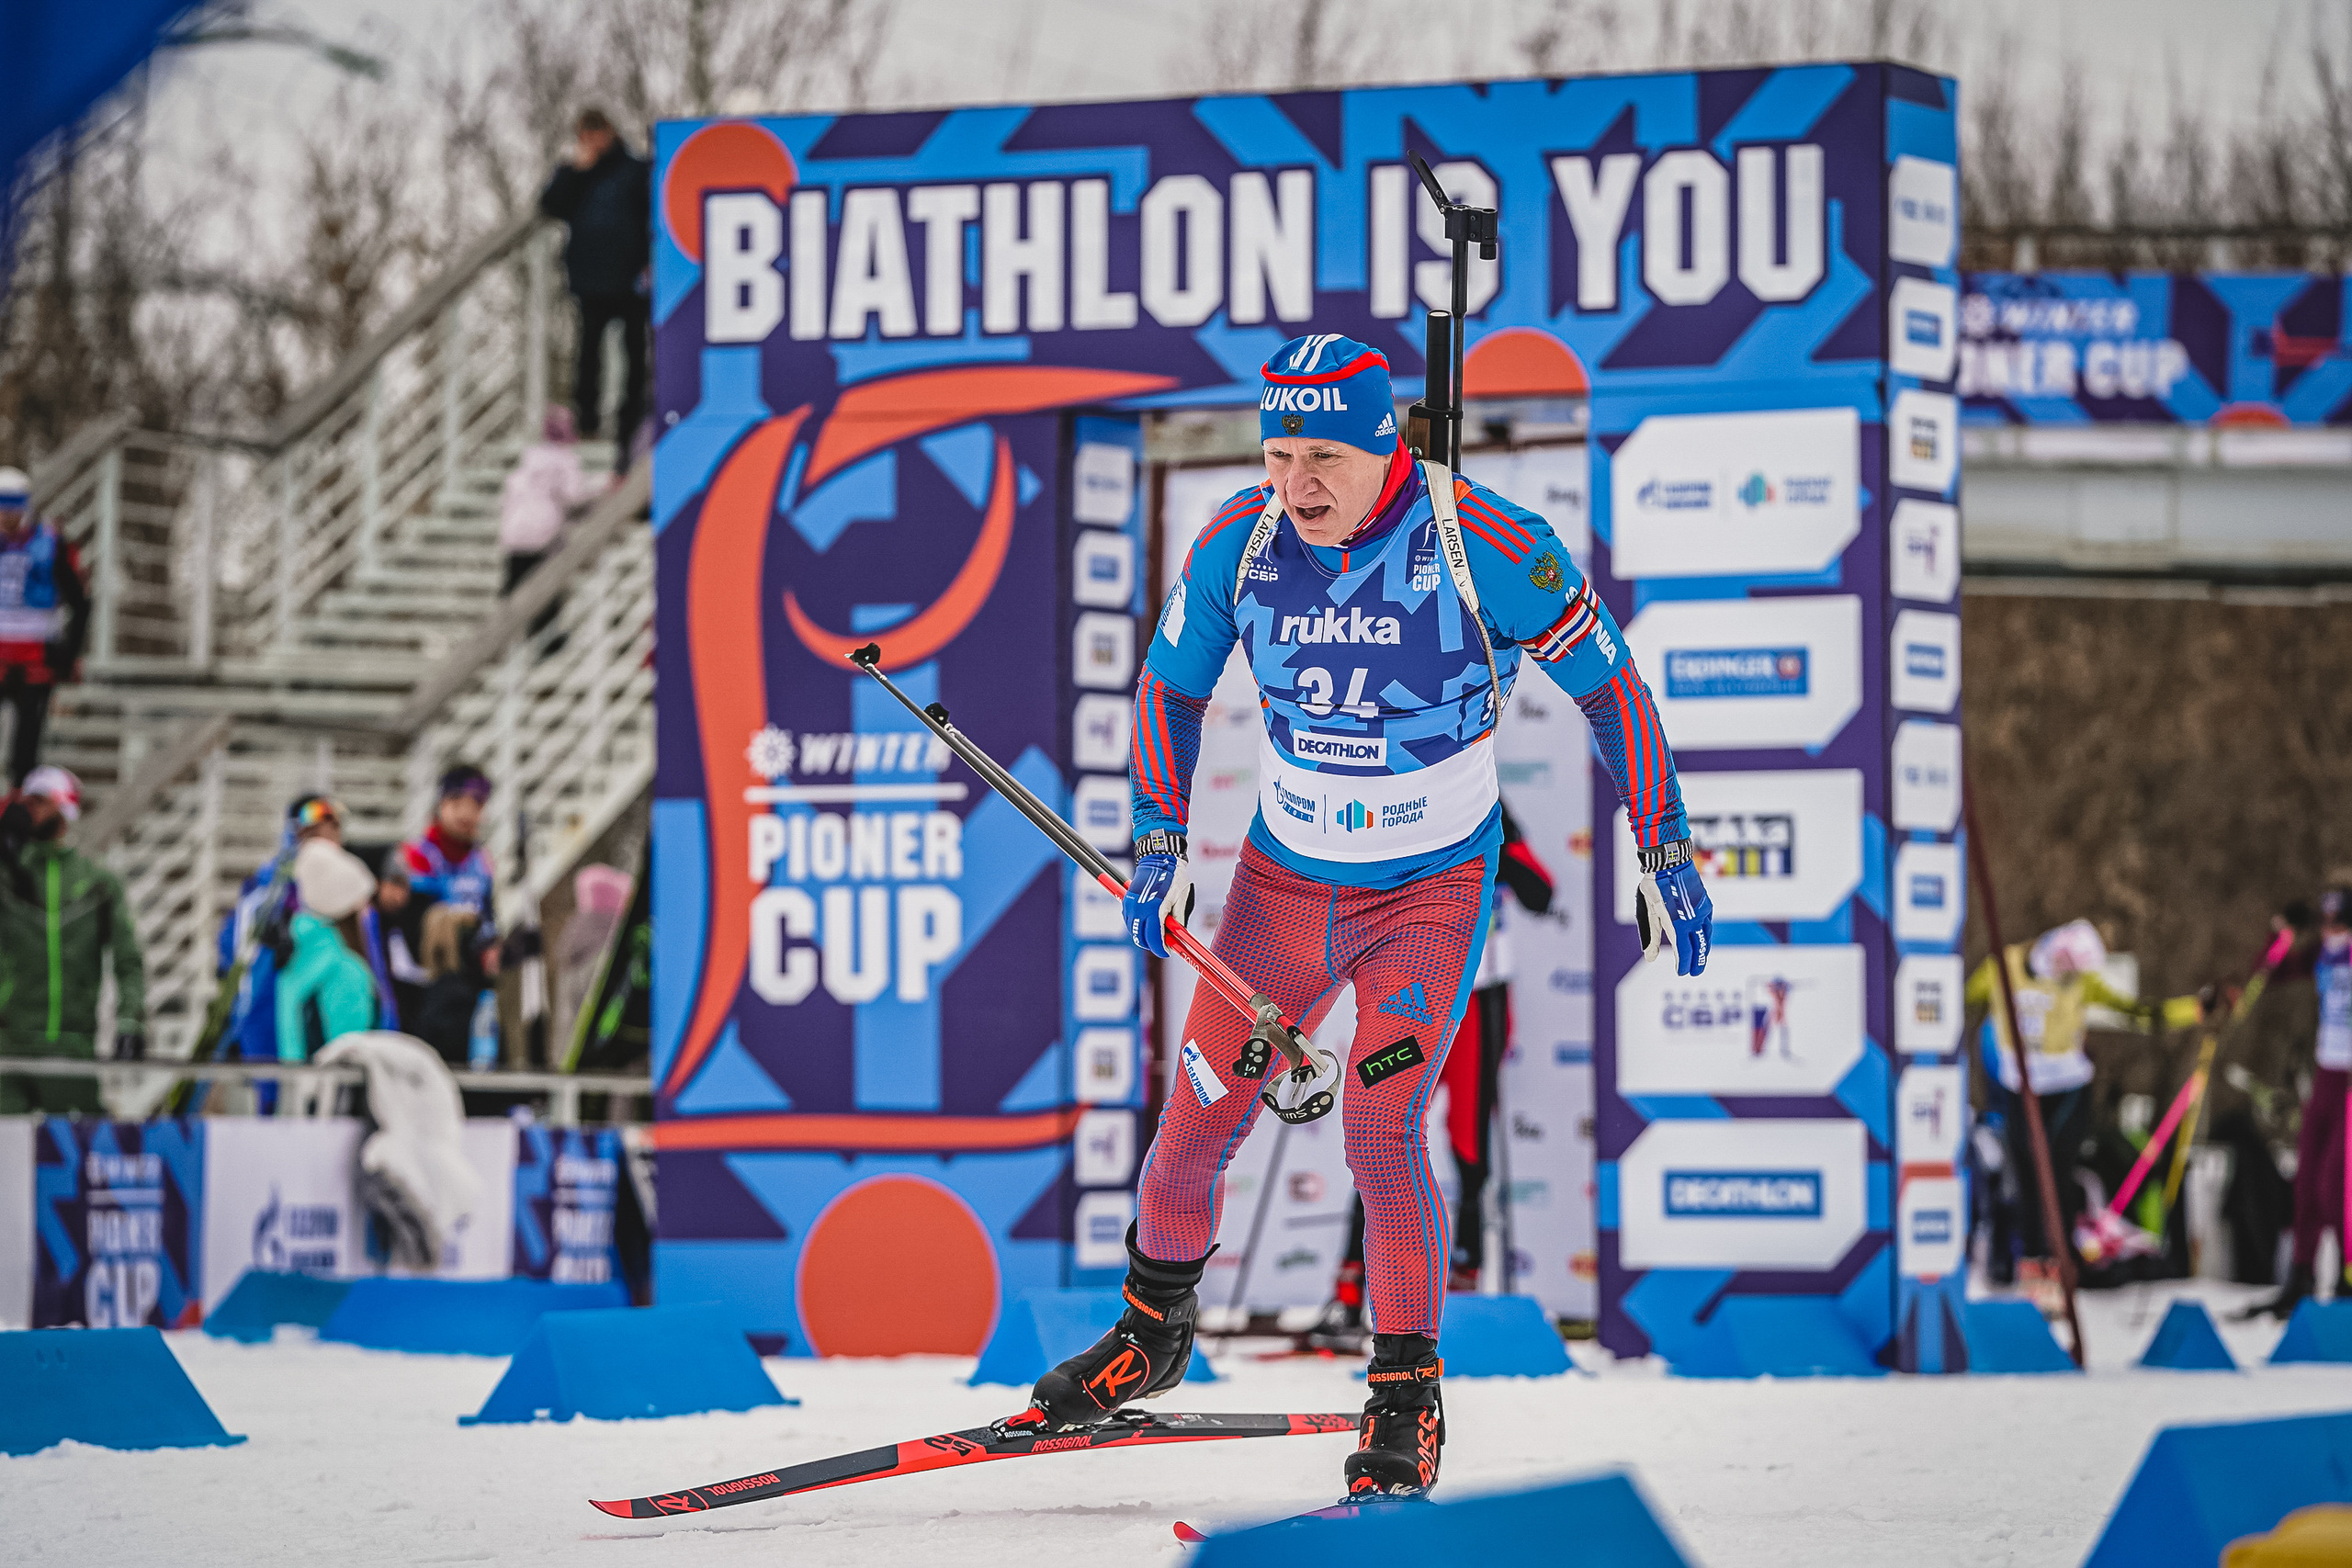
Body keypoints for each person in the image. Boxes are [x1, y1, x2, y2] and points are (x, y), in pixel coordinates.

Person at [1027, 334, 1711, 1501]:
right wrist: (1158, 838)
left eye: (1324, 457)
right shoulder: (1239, 544)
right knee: (1194, 1118)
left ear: (1387, 443)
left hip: (1427, 901)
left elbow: (1611, 688)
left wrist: (1664, 843)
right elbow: (1170, 691)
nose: (1295, 483)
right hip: (1283, 894)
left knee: (1379, 1130)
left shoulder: (1480, 542)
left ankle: (1403, 1398)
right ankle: (1153, 1330)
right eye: (1278, 450)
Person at [1315, 804, 1556, 1345]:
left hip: (1479, 1002)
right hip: (1415, 994)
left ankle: (1464, 1293)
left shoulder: (1490, 810)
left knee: (1469, 1143)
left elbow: (1542, 892)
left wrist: (1503, 854)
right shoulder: (1401, 810)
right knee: (1380, 1130)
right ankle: (1350, 1294)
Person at [1968, 919, 2200, 1307]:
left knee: (2055, 1171)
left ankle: (2058, 1264)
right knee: (2024, 1171)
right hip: (2020, 1084)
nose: (2067, 976)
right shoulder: (2004, 966)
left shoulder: (2082, 983)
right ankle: (2033, 1265)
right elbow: (1961, 994)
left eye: (2076, 971)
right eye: (2065, 966)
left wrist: (2193, 1010)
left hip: (2067, 1085)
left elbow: (2139, 1014)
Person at [0, 767, 143, 1113]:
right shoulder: (5, 876)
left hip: (73, 1048)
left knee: (74, 1157)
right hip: (8, 1046)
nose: (29, 810)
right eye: (26, 803)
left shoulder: (96, 881)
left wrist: (131, 1019)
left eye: (40, 802)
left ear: (64, 808)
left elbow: (128, 960)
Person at [2245, 887, 2352, 1319]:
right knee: (2306, 1179)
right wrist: (2285, 933)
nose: (2331, 932)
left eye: (2340, 923)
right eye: (2325, 924)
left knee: (2337, 1186)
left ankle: (2346, 1275)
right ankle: (2301, 1274)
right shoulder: (2322, 954)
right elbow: (2265, 975)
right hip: (2328, 1070)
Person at [537, 109, 650, 456]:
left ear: (609, 132)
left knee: (634, 352)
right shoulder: (575, 173)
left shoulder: (635, 170)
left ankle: (630, 418)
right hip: (589, 278)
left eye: (595, 134)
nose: (590, 143)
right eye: (584, 136)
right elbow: (550, 206)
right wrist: (574, 172)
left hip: (631, 277)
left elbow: (650, 214)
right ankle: (586, 420)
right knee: (588, 353)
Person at [395, 763, 500, 1063]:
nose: (467, 815)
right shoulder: (420, 855)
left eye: (477, 805)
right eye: (457, 804)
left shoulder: (481, 860)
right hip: (428, 988)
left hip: (471, 985)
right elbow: (414, 930)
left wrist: (495, 946)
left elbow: (489, 917)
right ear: (442, 805)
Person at [0, 466, 91, 784]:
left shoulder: (49, 544)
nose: (5, 519)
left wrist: (67, 654)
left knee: (25, 749)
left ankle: (16, 817)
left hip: (36, 655)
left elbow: (80, 602)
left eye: (11, 510)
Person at [498, 405, 604, 642]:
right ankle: (545, 638)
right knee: (548, 587)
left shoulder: (529, 459)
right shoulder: (565, 460)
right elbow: (575, 496)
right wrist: (597, 492)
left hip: (515, 532)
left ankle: (504, 638)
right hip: (543, 534)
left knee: (514, 586)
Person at [276, 839, 384, 1066]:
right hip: (330, 1095)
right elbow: (350, 1060)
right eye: (364, 903)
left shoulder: (296, 956)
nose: (369, 914)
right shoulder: (347, 970)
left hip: (298, 1093)